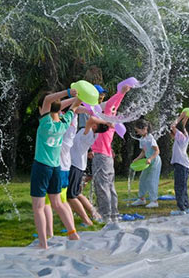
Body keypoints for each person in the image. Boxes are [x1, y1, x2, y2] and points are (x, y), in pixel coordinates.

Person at [31, 89, 82, 249]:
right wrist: (77, 99)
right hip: (56, 168)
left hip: (42, 167)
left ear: (42, 110)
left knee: (38, 207)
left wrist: (68, 92)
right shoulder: (63, 124)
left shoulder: (46, 123)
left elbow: (47, 99)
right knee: (58, 203)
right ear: (59, 110)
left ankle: (43, 243)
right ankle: (73, 233)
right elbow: (72, 108)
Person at [91, 84, 131, 223]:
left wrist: (121, 92)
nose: (102, 97)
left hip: (101, 155)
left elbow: (111, 104)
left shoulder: (104, 117)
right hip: (107, 156)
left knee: (102, 186)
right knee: (110, 186)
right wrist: (122, 94)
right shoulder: (110, 118)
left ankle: (105, 215)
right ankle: (113, 214)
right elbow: (113, 105)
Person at [67, 115, 109, 226]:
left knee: (71, 196)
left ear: (95, 126)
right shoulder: (93, 134)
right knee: (77, 193)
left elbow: (91, 119)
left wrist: (107, 122)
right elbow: (92, 119)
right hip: (78, 165)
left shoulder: (88, 133)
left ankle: (87, 221)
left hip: (75, 165)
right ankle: (95, 214)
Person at [131, 120, 162, 208]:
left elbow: (157, 151)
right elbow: (143, 152)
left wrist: (150, 159)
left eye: (138, 130)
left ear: (145, 129)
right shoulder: (142, 139)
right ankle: (141, 199)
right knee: (143, 179)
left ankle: (154, 201)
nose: (137, 132)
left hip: (155, 161)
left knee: (152, 180)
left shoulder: (150, 138)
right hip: (147, 162)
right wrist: (136, 159)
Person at [169, 111, 189, 215]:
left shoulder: (180, 137)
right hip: (184, 164)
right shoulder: (185, 136)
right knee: (183, 186)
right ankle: (186, 207)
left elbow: (172, 126)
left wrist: (180, 117)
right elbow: (183, 127)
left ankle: (181, 209)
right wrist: (184, 121)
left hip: (180, 165)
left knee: (179, 187)